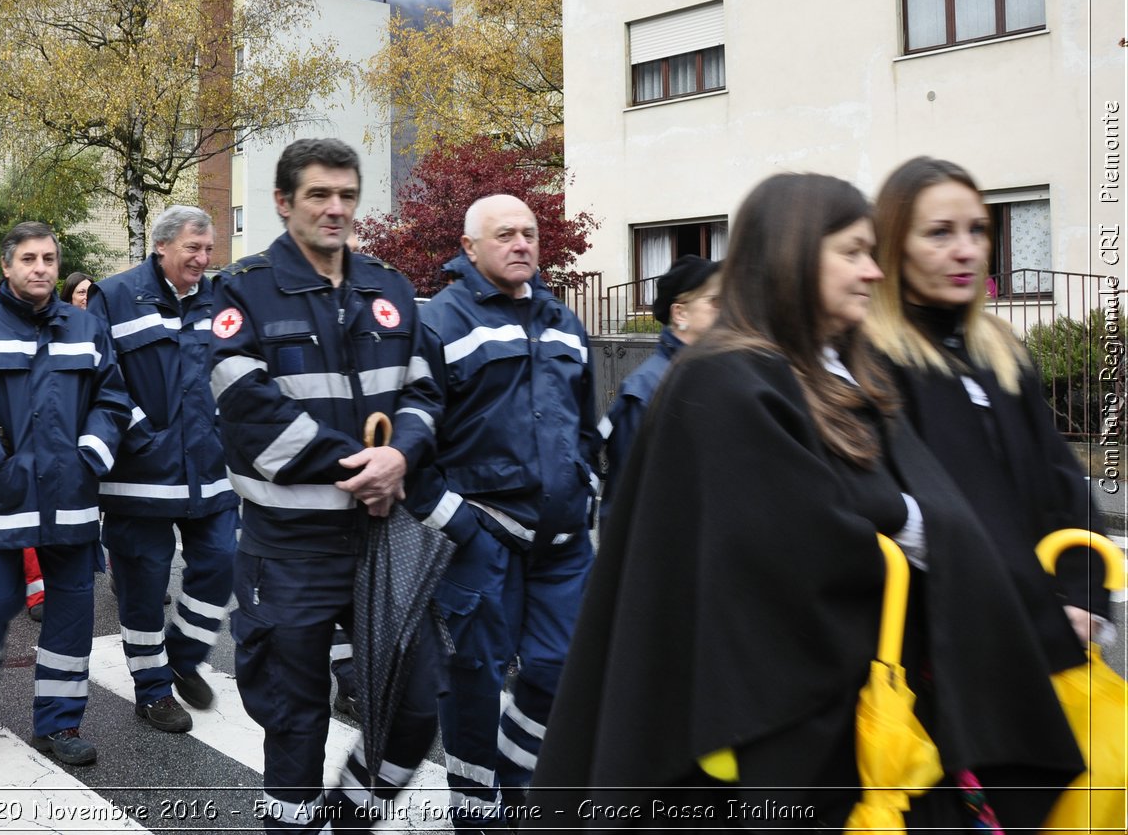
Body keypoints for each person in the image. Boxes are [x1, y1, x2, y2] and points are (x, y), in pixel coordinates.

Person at [525, 173, 1082, 830]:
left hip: (867, 718)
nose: (874, 271)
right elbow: (790, 546)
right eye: (851, 251)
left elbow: (925, 506)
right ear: (791, 255)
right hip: (773, 730)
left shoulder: (840, 370)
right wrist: (905, 523)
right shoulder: (723, 378)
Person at [210, 138, 443, 833]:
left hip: (383, 536)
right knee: (294, 720)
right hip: (289, 547)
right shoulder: (241, 288)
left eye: (346, 193)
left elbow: (426, 393)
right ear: (284, 203)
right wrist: (364, 467)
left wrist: (399, 455)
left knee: (417, 705)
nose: (335, 207)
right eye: (319, 194)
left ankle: (349, 815)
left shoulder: (390, 287)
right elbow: (248, 409)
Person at [868, 157, 1114, 670]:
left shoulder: (999, 350)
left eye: (978, 229)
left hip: (1037, 636)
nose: (967, 250)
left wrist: (1084, 596)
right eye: (939, 233)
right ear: (894, 247)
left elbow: (1063, 482)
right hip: (943, 659)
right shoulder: (872, 362)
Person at [404, 194, 598, 832]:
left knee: (558, 669)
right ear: (469, 248)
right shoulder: (439, 323)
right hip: (481, 538)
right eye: (505, 235)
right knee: (475, 681)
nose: (522, 245)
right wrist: (453, 520)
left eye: (530, 234)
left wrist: (591, 484)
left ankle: (514, 790)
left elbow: (587, 426)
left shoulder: (565, 322)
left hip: (564, 543)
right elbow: (413, 437)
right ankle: (474, 812)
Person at [0, 221, 133, 767]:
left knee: (70, 615)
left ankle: (59, 726)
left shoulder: (88, 329)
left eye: (48, 258)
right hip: (2, 497)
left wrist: (92, 454)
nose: (40, 268)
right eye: (29, 259)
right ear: (8, 266)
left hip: (72, 498)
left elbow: (113, 402)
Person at [87, 205, 234, 735]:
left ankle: (184, 654)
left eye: (209, 249)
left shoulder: (222, 299)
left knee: (221, 563)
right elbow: (102, 377)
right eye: (193, 248)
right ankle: (152, 690)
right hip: (139, 473)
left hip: (210, 469)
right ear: (162, 247)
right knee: (144, 588)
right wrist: (142, 431)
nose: (203, 259)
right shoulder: (116, 295)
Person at [596, 255, 720, 500]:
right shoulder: (644, 391)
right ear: (680, 314)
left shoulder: (716, 376)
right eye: (716, 301)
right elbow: (626, 501)